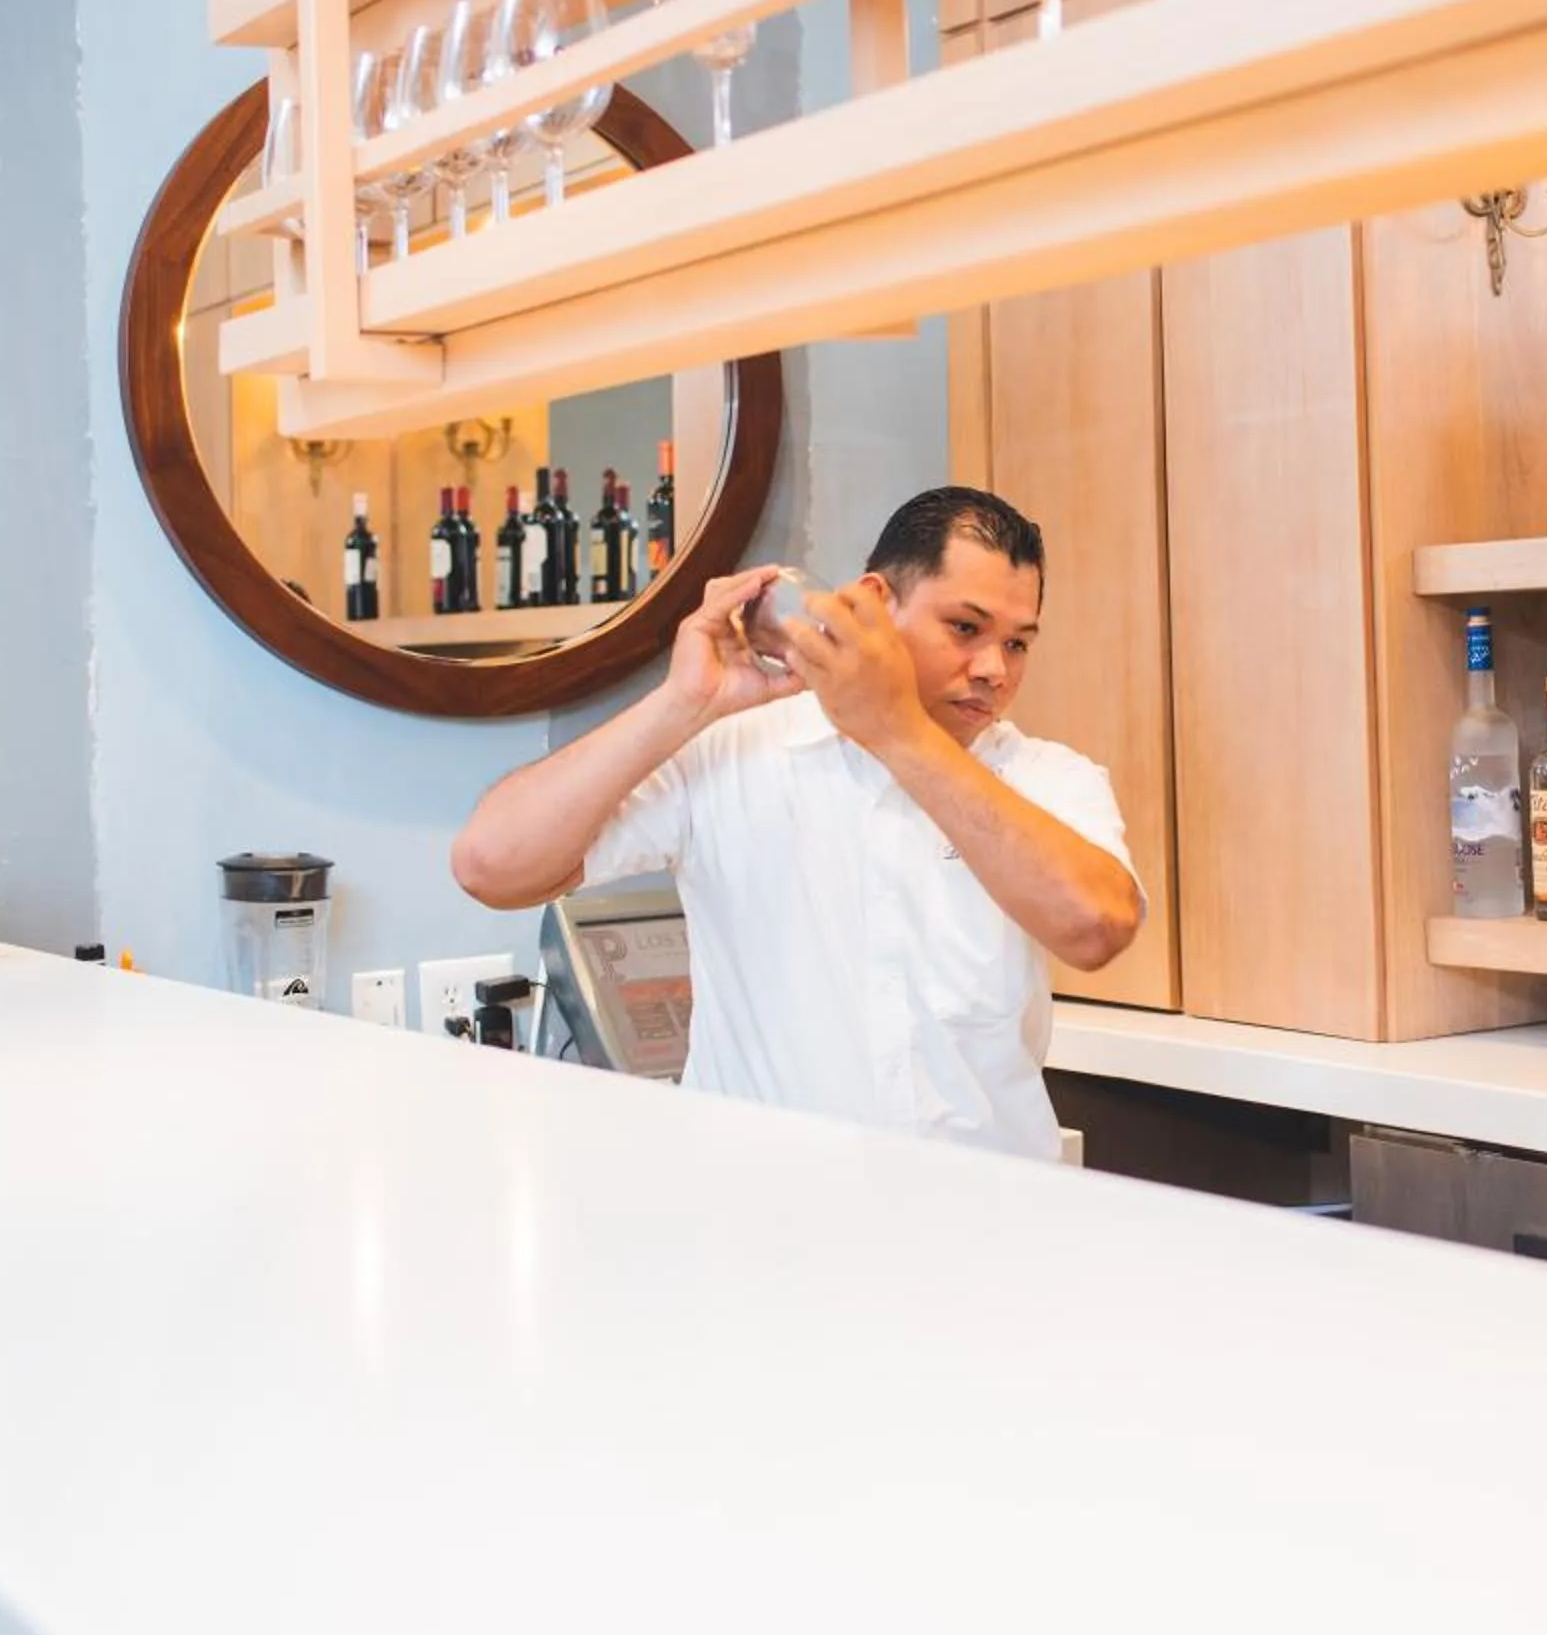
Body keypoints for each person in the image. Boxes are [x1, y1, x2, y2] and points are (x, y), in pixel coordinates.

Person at [450, 487, 1142, 1159]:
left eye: (1018, 644)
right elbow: (491, 866)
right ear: (873, 603)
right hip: (765, 1227)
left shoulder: (1051, 778)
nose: (993, 668)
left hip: (992, 1229)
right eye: (965, 628)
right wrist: (682, 703)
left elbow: (1093, 927)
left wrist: (897, 731)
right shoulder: (734, 751)